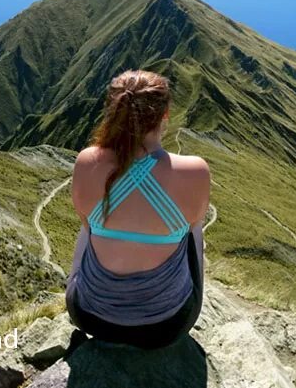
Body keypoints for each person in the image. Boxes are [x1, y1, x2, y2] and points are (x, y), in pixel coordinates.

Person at [66, 70, 211, 349]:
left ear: (113, 110)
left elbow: (86, 226)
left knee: (90, 227)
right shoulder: (195, 170)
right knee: (192, 232)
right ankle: (187, 295)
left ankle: (76, 285)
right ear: (165, 114)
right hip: (166, 326)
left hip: (89, 317)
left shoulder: (87, 161)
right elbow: (194, 229)